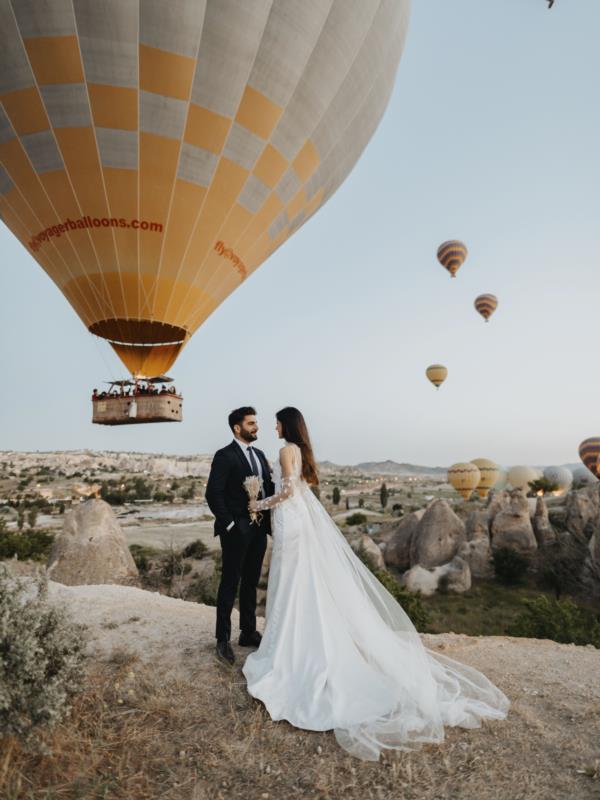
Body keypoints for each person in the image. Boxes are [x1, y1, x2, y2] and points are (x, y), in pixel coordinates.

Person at [243, 407, 510, 761]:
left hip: (290, 520)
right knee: (301, 583)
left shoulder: (284, 450)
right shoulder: (300, 450)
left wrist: (258, 501)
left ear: (287, 424)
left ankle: (290, 652)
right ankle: (297, 643)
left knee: (293, 582)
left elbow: (290, 490)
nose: (273, 426)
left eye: (277, 421)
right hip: (296, 522)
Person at [205, 407, 275, 665]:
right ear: (238, 428)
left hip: (258, 531)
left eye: (256, 422)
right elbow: (213, 494)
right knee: (230, 583)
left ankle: (247, 631)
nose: (256, 427)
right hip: (236, 531)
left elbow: (267, 489)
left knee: (251, 581)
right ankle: (222, 639)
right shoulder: (225, 455)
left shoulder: (259, 454)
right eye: (251, 423)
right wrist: (232, 525)